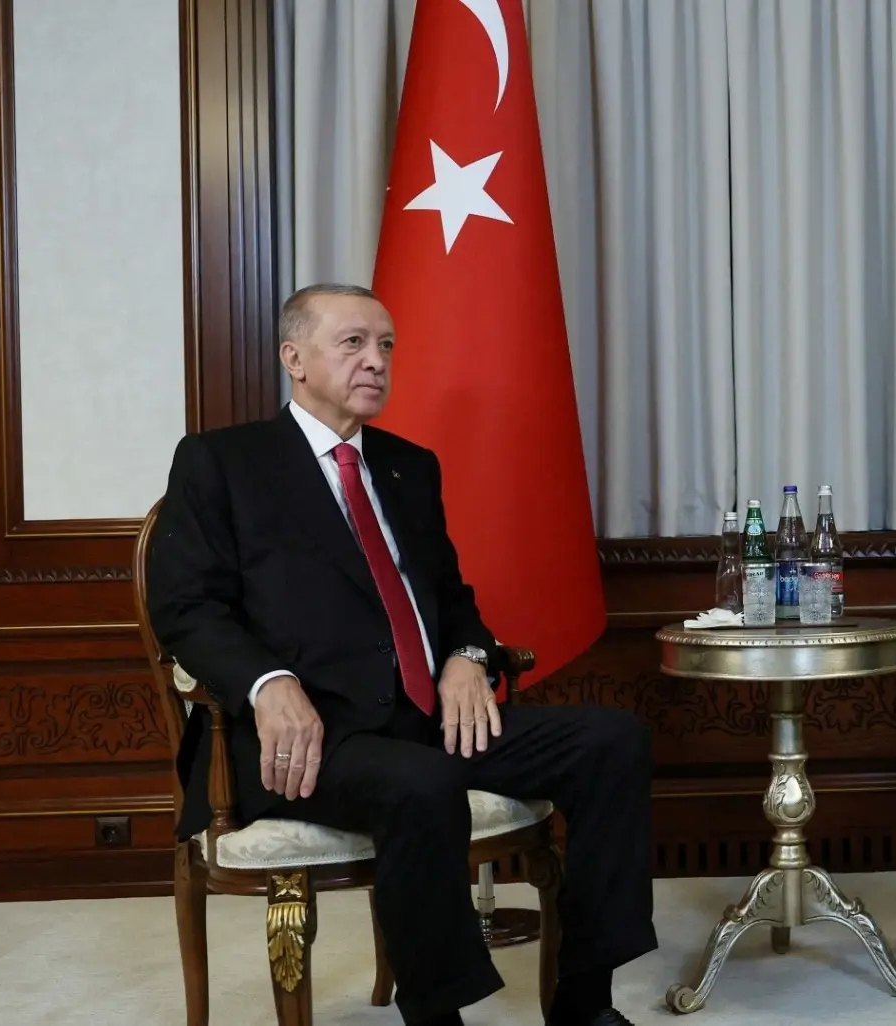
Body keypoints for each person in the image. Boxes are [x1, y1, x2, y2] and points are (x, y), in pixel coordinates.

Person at [146, 283, 654, 1026]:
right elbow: (186, 608)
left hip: (422, 720)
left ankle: (585, 1005)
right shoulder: (222, 462)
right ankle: (436, 1015)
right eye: (353, 343)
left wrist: (468, 655)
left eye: (385, 345)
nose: (376, 361)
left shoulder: (408, 466)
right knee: (422, 782)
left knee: (612, 740)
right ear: (294, 358)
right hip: (308, 738)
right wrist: (267, 681)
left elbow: (451, 598)